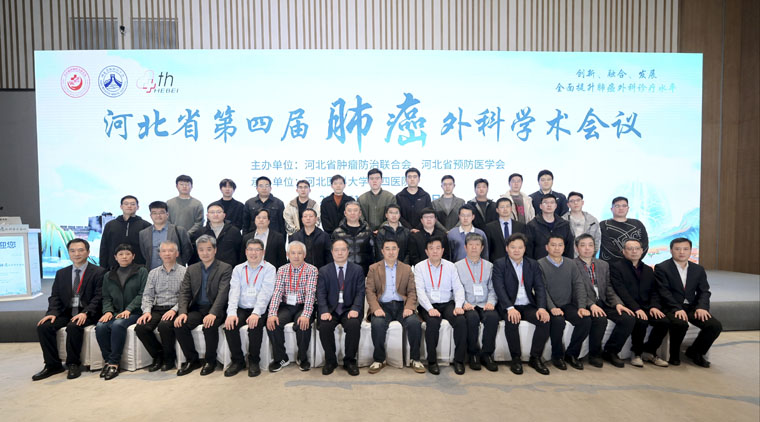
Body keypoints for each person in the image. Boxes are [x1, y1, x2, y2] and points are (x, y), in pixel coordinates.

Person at [33, 239, 106, 381]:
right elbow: (55, 296)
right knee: (44, 327)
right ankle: (52, 365)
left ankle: (73, 364)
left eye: (80, 250)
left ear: (88, 252)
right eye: (72, 251)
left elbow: (99, 297)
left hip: (88, 313)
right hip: (67, 312)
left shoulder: (99, 272)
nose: (76, 254)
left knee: (74, 326)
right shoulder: (61, 273)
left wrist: (85, 312)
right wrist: (52, 313)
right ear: (68, 253)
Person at [654, 238, 722, 367]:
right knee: (680, 323)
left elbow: (704, 291)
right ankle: (674, 355)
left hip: (691, 307)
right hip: (670, 306)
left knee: (714, 326)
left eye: (685, 249)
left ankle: (695, 352)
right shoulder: (662, 268)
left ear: (691, 251)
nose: (682, 252)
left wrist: (702, 307)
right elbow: (664, 292)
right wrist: (676, 308)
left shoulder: (698, 269)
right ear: (671, 250)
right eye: (677, 249)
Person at [491, 233, 551, 375]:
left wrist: (542, 308)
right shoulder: (499, 264)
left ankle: (535, 357)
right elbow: (499, 288)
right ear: (507, 248)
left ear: (525, 249)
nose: (516, 250)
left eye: (520, 247)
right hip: (509, 304)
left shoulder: (532, 264)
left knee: (544, 320)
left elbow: (540, 287)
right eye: (513, 247)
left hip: (528, 304)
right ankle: (516, 359)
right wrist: (510, 308)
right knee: (511, 320)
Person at [574, 234, 635, 368]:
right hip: (585, 303)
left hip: (604, 302)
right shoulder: (572, 265)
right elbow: (575, 290)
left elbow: (608, 287)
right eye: (583, 245)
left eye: (590, 245)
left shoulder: (603, 264)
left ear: (595, 247)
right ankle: (594, 354)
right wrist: (591, 305)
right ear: (577, 248)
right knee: (600, 319)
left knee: (628, 318)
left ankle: (611, 351)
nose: (587, 248)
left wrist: (617, 303)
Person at [174, 235, 232, 376]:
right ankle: (192, 360)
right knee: (180, 325)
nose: (205, 253)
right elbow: (184, 293)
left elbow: (223, 294)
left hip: (216, 308)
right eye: (201, 250)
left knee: (209, 326)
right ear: (197, 251)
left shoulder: (225, 268)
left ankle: (210, 361)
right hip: (198, 309)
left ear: (215, 250)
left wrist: (213, 313)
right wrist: (182, 312)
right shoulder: (191, 269)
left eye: (208, 249)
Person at [365, 239, 424, 374]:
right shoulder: (374, 268)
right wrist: (376, 308)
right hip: (382, 306)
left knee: (414, 323)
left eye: (394, 249)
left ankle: (415, 359)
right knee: (378, 324)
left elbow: (412, 291)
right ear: (382, 251)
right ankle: (379, 359)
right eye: (387, 249)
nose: (391, 252)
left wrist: (409, 307)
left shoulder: (407, 269)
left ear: (398, 250)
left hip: (402, 306)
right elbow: (370, 292)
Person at [610, 239, 672, 368]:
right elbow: (621, 291)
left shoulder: (648, 270)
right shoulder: (616, 267)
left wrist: (654, 306)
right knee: (641, 321)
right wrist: (636, 308)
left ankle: (649, 351)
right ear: (623, 251)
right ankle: (636, 353)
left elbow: (654, 291)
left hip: (646, 306)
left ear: (642, 251)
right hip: (628, 306)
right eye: (630, 249)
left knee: (664, 321)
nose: (634, 251)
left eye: (637, 248)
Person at [414, 236, 467, 375]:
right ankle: (432, 361)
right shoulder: (419, 267)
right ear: (426, 251)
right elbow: (420, 291)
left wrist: (459, 305)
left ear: (443, 250)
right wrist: (430, 309)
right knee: (432, 323)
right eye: (431, 248)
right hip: (428, 304)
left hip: (448, 303)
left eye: (438, 248)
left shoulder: (450, 266)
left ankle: (459, 360)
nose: (435, 251)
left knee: (461, 320)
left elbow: (458, 288)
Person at [223, 239, 276, 377]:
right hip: (241, 307)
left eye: (257, 250)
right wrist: (231, 313)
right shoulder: (238, 269)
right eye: (250, 249)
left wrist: (256, 313)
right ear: (246, 252)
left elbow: (266, 293)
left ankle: (254, 360)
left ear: (263, 252)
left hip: (260, 308)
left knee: (255, 325)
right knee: (230, 325)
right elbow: (233, 292)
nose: (254, 253)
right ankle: (237, 361)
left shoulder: (269, 269)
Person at [95, 244, 148, 380]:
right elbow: (106, 297)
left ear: (133, 256)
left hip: (135, 312)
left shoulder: (142, 271)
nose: (124, 257)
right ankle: (107, 361)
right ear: (115, 257)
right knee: (100, 326)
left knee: (118, 325)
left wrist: (129, 309)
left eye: (128, 254)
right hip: (115, 312)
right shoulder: (109, 275)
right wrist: (108, 311)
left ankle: (114, 363)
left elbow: (143, 294)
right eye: (121, 254)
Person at [538, 235, 590, 371]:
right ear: (547, 247)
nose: (557, 248)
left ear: (564, 247)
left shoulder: (570, 264)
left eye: (560, 245)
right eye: (553, 245)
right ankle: (557, 356)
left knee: (585, 320)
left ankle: (572, 354)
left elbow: (579, 285)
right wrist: (552, 307)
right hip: (549, 306)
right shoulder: (540, 264)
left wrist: (582, 307)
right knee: (558, 322)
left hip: (567, 304)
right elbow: (541, 289)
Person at [266, 242, 319, 372]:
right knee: (273, 323)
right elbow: (277, 292)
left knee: (302, 324)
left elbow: (310, 294)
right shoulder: (282, 270)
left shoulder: (312, 270)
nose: (296, 256)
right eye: (293, 253)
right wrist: (272, 313)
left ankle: (302, 358)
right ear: (287, 255)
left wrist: (306, 315)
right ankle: (281, 358)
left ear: (304, 255)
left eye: (299, 253)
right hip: (287, 306)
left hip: (303, 305)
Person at [135, 241, 186, 373]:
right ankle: (158, 356)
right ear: (159, 254)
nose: (167, 254)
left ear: (177, 253)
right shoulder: (153, 273)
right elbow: (147, 295)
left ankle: (169, 359)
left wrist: (174, 310)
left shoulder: (184, 272)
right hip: (157, 308)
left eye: (170, 251)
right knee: (141, 328)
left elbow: (186, 296)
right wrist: (146, 311)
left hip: (175, 308)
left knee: (164, 326)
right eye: (164, 251)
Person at [316, 239, 366, 376]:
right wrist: (324, 311)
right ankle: (330, 361)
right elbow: (320, 293)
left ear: (348, 252)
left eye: (343, 250)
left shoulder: (357, 270)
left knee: (353, 325)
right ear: (332, 252)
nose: (340, 253)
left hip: (349, 309)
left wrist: (355, 308)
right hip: (330, 310)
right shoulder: (324, 271)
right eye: (336, 250)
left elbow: (360, 292)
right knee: (324, 326)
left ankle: (350, 361)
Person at [454, 233, 499, 372]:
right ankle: (473, 354)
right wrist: (463, 303)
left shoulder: (489, 266)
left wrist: (491, 302)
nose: (474, 248)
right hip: (468, 304)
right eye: (471, 245)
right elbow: (456, 288)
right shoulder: (457, 266)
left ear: (482, 248)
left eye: (477, 245)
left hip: (485, 303)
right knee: (472, 319)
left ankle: (487, 355)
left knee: (493, 318)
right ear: (465, 247)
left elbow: (493, 288)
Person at [99, 195, 151, 269]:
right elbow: (104, 248)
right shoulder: (110, 225)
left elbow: (149, 250)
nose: (129, 206)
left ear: (138, 207)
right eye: (126, 204)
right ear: (121, 207)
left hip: (139, 268)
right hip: (113, 268)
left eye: (132, 204)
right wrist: (103, 268)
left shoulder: (145, 225)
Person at [139, 201, 192, 270]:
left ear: (167, 214)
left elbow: (187, 251)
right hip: (152, 271)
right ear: (150, 215)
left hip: (175, 271)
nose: (158, 216)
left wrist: (180, 264)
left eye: (161, 213)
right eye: (154, 213)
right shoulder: (143, 233)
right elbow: (145, 254)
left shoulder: (179, 230)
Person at [600, 196, 649, 262]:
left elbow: (645, 245)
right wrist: (627, 262)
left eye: (624, 206)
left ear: (628, 208)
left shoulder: (637, 223)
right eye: (617, 206)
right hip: (611, 264)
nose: (621, 208)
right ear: (611, 209)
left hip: (635, 264)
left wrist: (635, 260)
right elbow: (607, 247)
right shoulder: (603, 225)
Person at [193, 202, 243, 267]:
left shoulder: (234, 231)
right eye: (212, 212)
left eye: (218, 212)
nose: (215, 215)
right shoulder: (200, 232)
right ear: (207, 216)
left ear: (224, 215)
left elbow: (240, 252)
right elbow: (195, 254)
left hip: (229, 269)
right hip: (206, 269)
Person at [526, 194, 574, 260]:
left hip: (561, 264)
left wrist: (568, 264)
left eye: (552, 202)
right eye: (545, 203)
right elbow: (528, 250)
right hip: (538, 264)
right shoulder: (532, 225)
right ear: (540, 206)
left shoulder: (564, 224)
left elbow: (569, 248)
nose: (549, 205)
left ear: (556, 206)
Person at [331, 201, 374, 275]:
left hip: (364, 272)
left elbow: (373, 253)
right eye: (349, 210)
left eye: (355, 210)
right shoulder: (337, 233)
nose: (352, 213)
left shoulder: (368, 231)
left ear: (360, 213)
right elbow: (332, 254)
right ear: (345, 213)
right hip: (343, 272)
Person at [484, 197, 528, 262]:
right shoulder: (489, 227)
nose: (505, 209)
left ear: (511, 209)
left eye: (507, 206)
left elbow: (524, 246)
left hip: (517, 261)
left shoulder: (521, 226)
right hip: (496, 262)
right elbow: (488, 248)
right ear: (497, 210)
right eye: (502, 207)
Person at [243, 176, 286, 241]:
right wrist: (245, 241)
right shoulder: (249, 203)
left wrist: (282, 241)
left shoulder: (279, 203)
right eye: (261, 186)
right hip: (253, 239)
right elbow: (245, 225)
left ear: (270, 188)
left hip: (273, 239)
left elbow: (282, 225)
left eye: (267, 185)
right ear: (257, 188)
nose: (264, 188)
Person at [561, 191, 601, 258]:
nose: (575, 203)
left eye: (578, 200)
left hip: (588, 258)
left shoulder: (592, 220)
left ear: (582, 203)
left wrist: (591, 256)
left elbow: (597, 240)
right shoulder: (562, 221)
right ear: (568, 204)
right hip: (569, 258)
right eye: (572, 201)